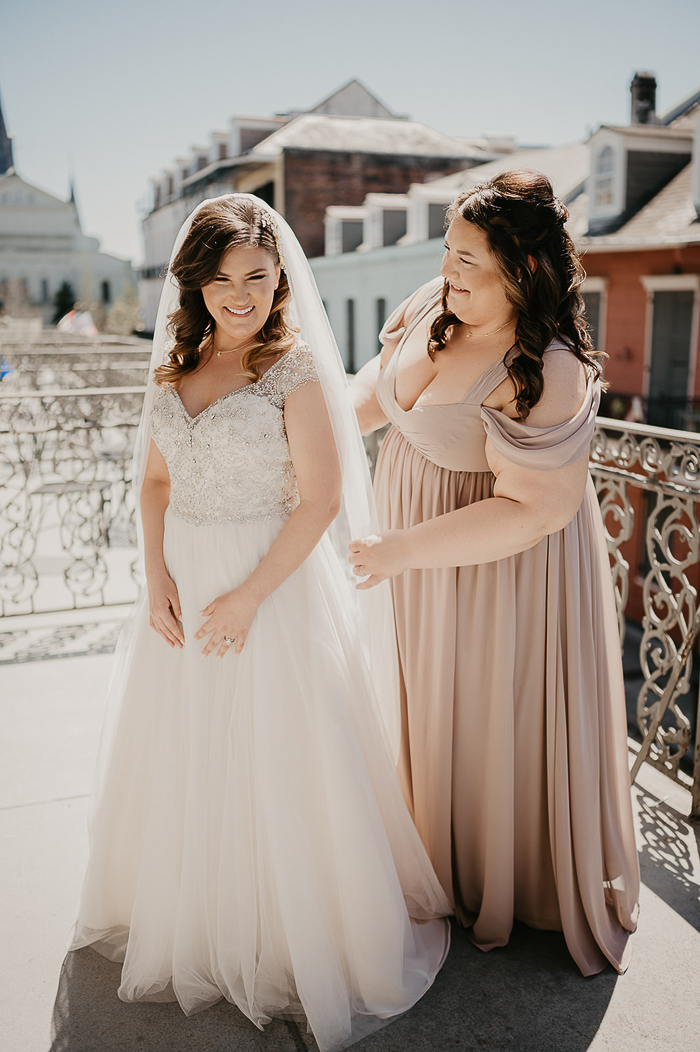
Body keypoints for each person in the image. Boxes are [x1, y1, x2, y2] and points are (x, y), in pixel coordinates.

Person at [70, 195, 451, 1052]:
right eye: (220, 278)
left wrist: (248, 596)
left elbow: (319, 503)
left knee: (279, 756)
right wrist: (156, 573)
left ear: (280, 275)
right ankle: (197, 913)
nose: (239, 294)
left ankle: (290, 935)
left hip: (268, 582)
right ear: (194, 284)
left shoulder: (295, 372)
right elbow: (155, 484)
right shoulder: (176, 366)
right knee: (183, 749)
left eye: (255, 274)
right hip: (185, 578)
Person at [349, 171, 640, 977]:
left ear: (527, 270)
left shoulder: (551, 369)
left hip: (495, 580)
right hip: (414, 559)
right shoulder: (434, 303)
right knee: (421, 705)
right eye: (449, 251)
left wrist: (402, 550)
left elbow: (531, 513)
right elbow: (374, 394)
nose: (451, 272)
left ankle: (500, 879)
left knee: (480, 711)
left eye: (470, 261)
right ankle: (425, 855)